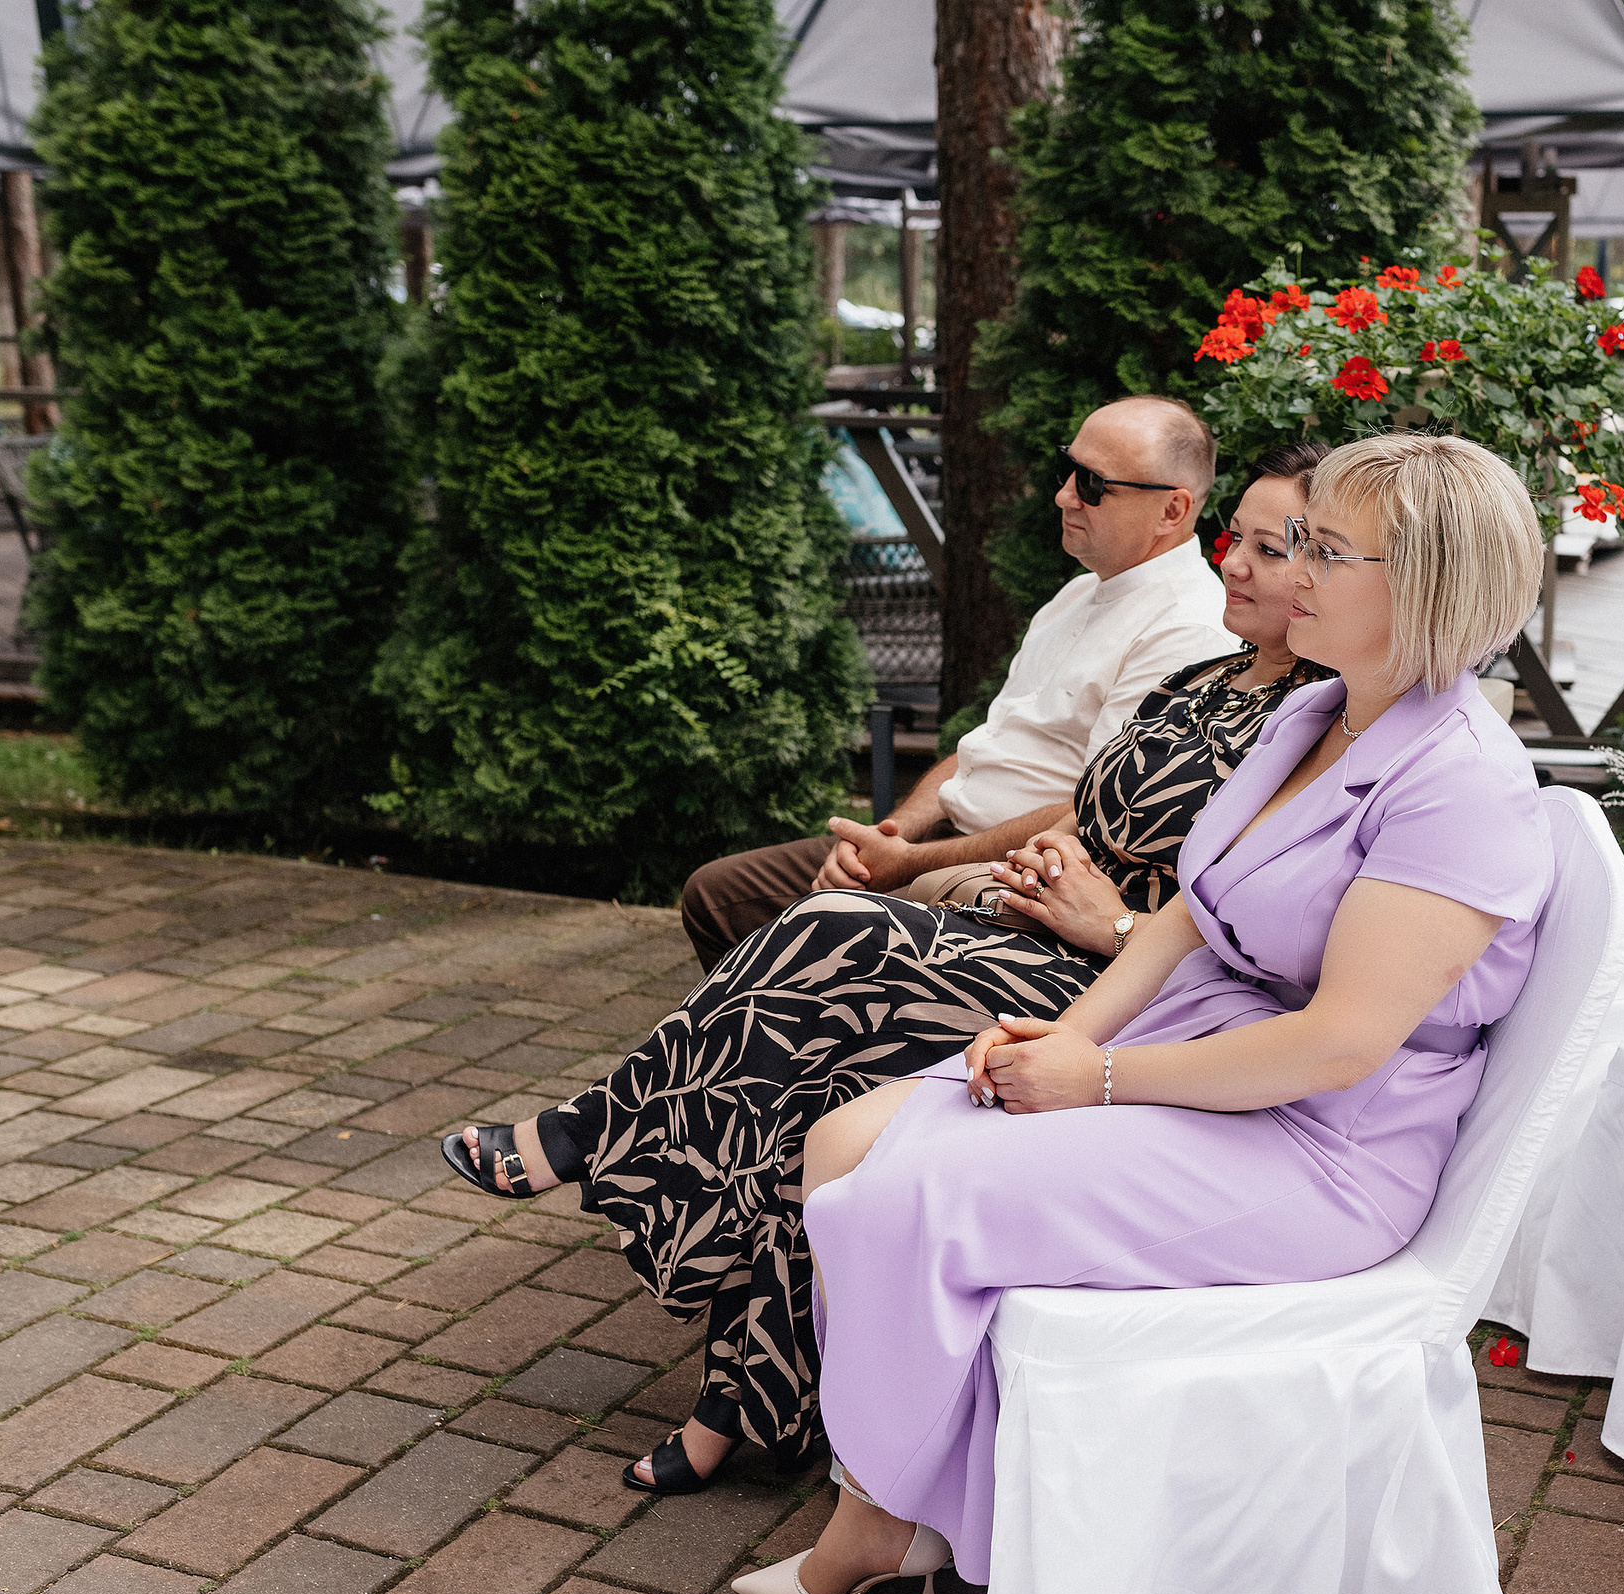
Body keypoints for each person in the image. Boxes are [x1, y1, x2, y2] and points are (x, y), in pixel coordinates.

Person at [730, 433, 1551, 1594]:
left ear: (1425, 585)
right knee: (848, 1142)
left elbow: (1338, 1045)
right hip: (1207, 1058)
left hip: (1323, 1141)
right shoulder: (1315, 712)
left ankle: (877, 1521)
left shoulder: (1461, 786)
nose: (1289, 570)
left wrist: (1100, 1078)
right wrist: (1060, 1037)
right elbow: (1185, 915)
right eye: (1300, 542)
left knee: (912, 1191)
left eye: (1325, 551)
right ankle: (926, 1487)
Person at [435, 445, 1335, 1491]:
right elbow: (1090, 807)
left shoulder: (1313, 725)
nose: (1237, 565)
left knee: (836, 933)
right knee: (815, 1066)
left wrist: (1111, 924)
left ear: (1328, 572)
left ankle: (596, 1134)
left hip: (1120, 997)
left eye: (1271, 550)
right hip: (1033, 927)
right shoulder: (1206, 680)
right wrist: (1043, 861)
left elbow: (1250, 935)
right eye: (1237, 540)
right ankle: (745, 1400)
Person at [672, 394, 1237, 972]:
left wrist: (909, 861)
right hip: (943, 842)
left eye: (1093, 484)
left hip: (1007, 877)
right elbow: (984, 746)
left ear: (1172, 510)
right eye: (1066, 468)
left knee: (799, 937)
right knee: (717, 894)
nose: (1064, 494)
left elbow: (1091, 816)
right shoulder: (1080, 592)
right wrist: (892, 832)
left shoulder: (1185, 629)